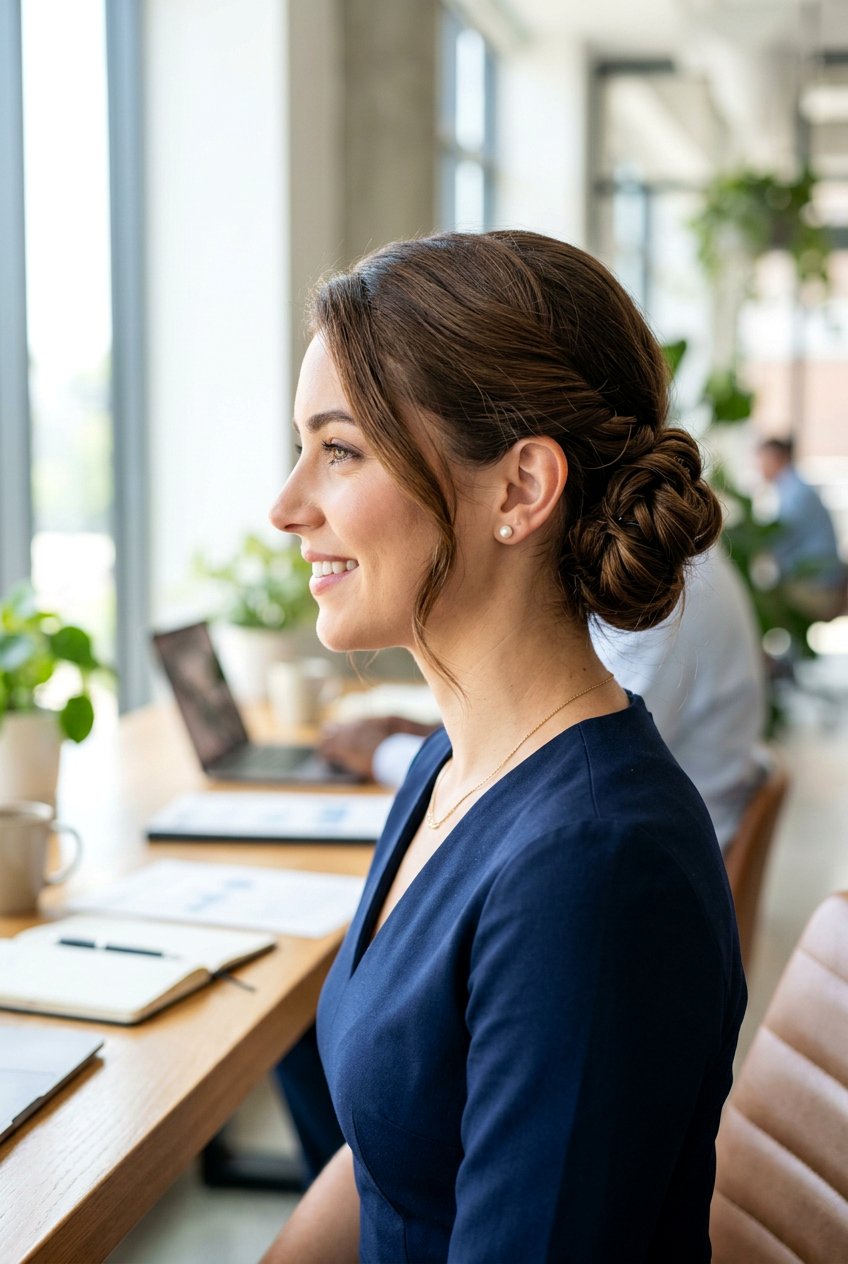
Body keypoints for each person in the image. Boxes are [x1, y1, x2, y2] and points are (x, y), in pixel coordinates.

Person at [262, 230, 746, 1264]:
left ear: (519, 489)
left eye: (339, 448)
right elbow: (395, 1148)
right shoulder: (454, 764)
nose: (286, 506)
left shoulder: (593, 868)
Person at [321, 544, 766, 853]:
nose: (281, 513)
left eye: (343, 452)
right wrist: (442, 734)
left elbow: (577, 761)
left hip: (651, 874)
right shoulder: (637, 566)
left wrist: (387, 753)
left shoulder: (656, 586)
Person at [756, 436, 846, 622]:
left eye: (761, 460)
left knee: (757, 603)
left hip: (820, 584)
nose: (759, 468)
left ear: (776, 458)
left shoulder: (795, 493)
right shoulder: (793, 487)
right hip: (820, 577)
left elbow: (780, 541)